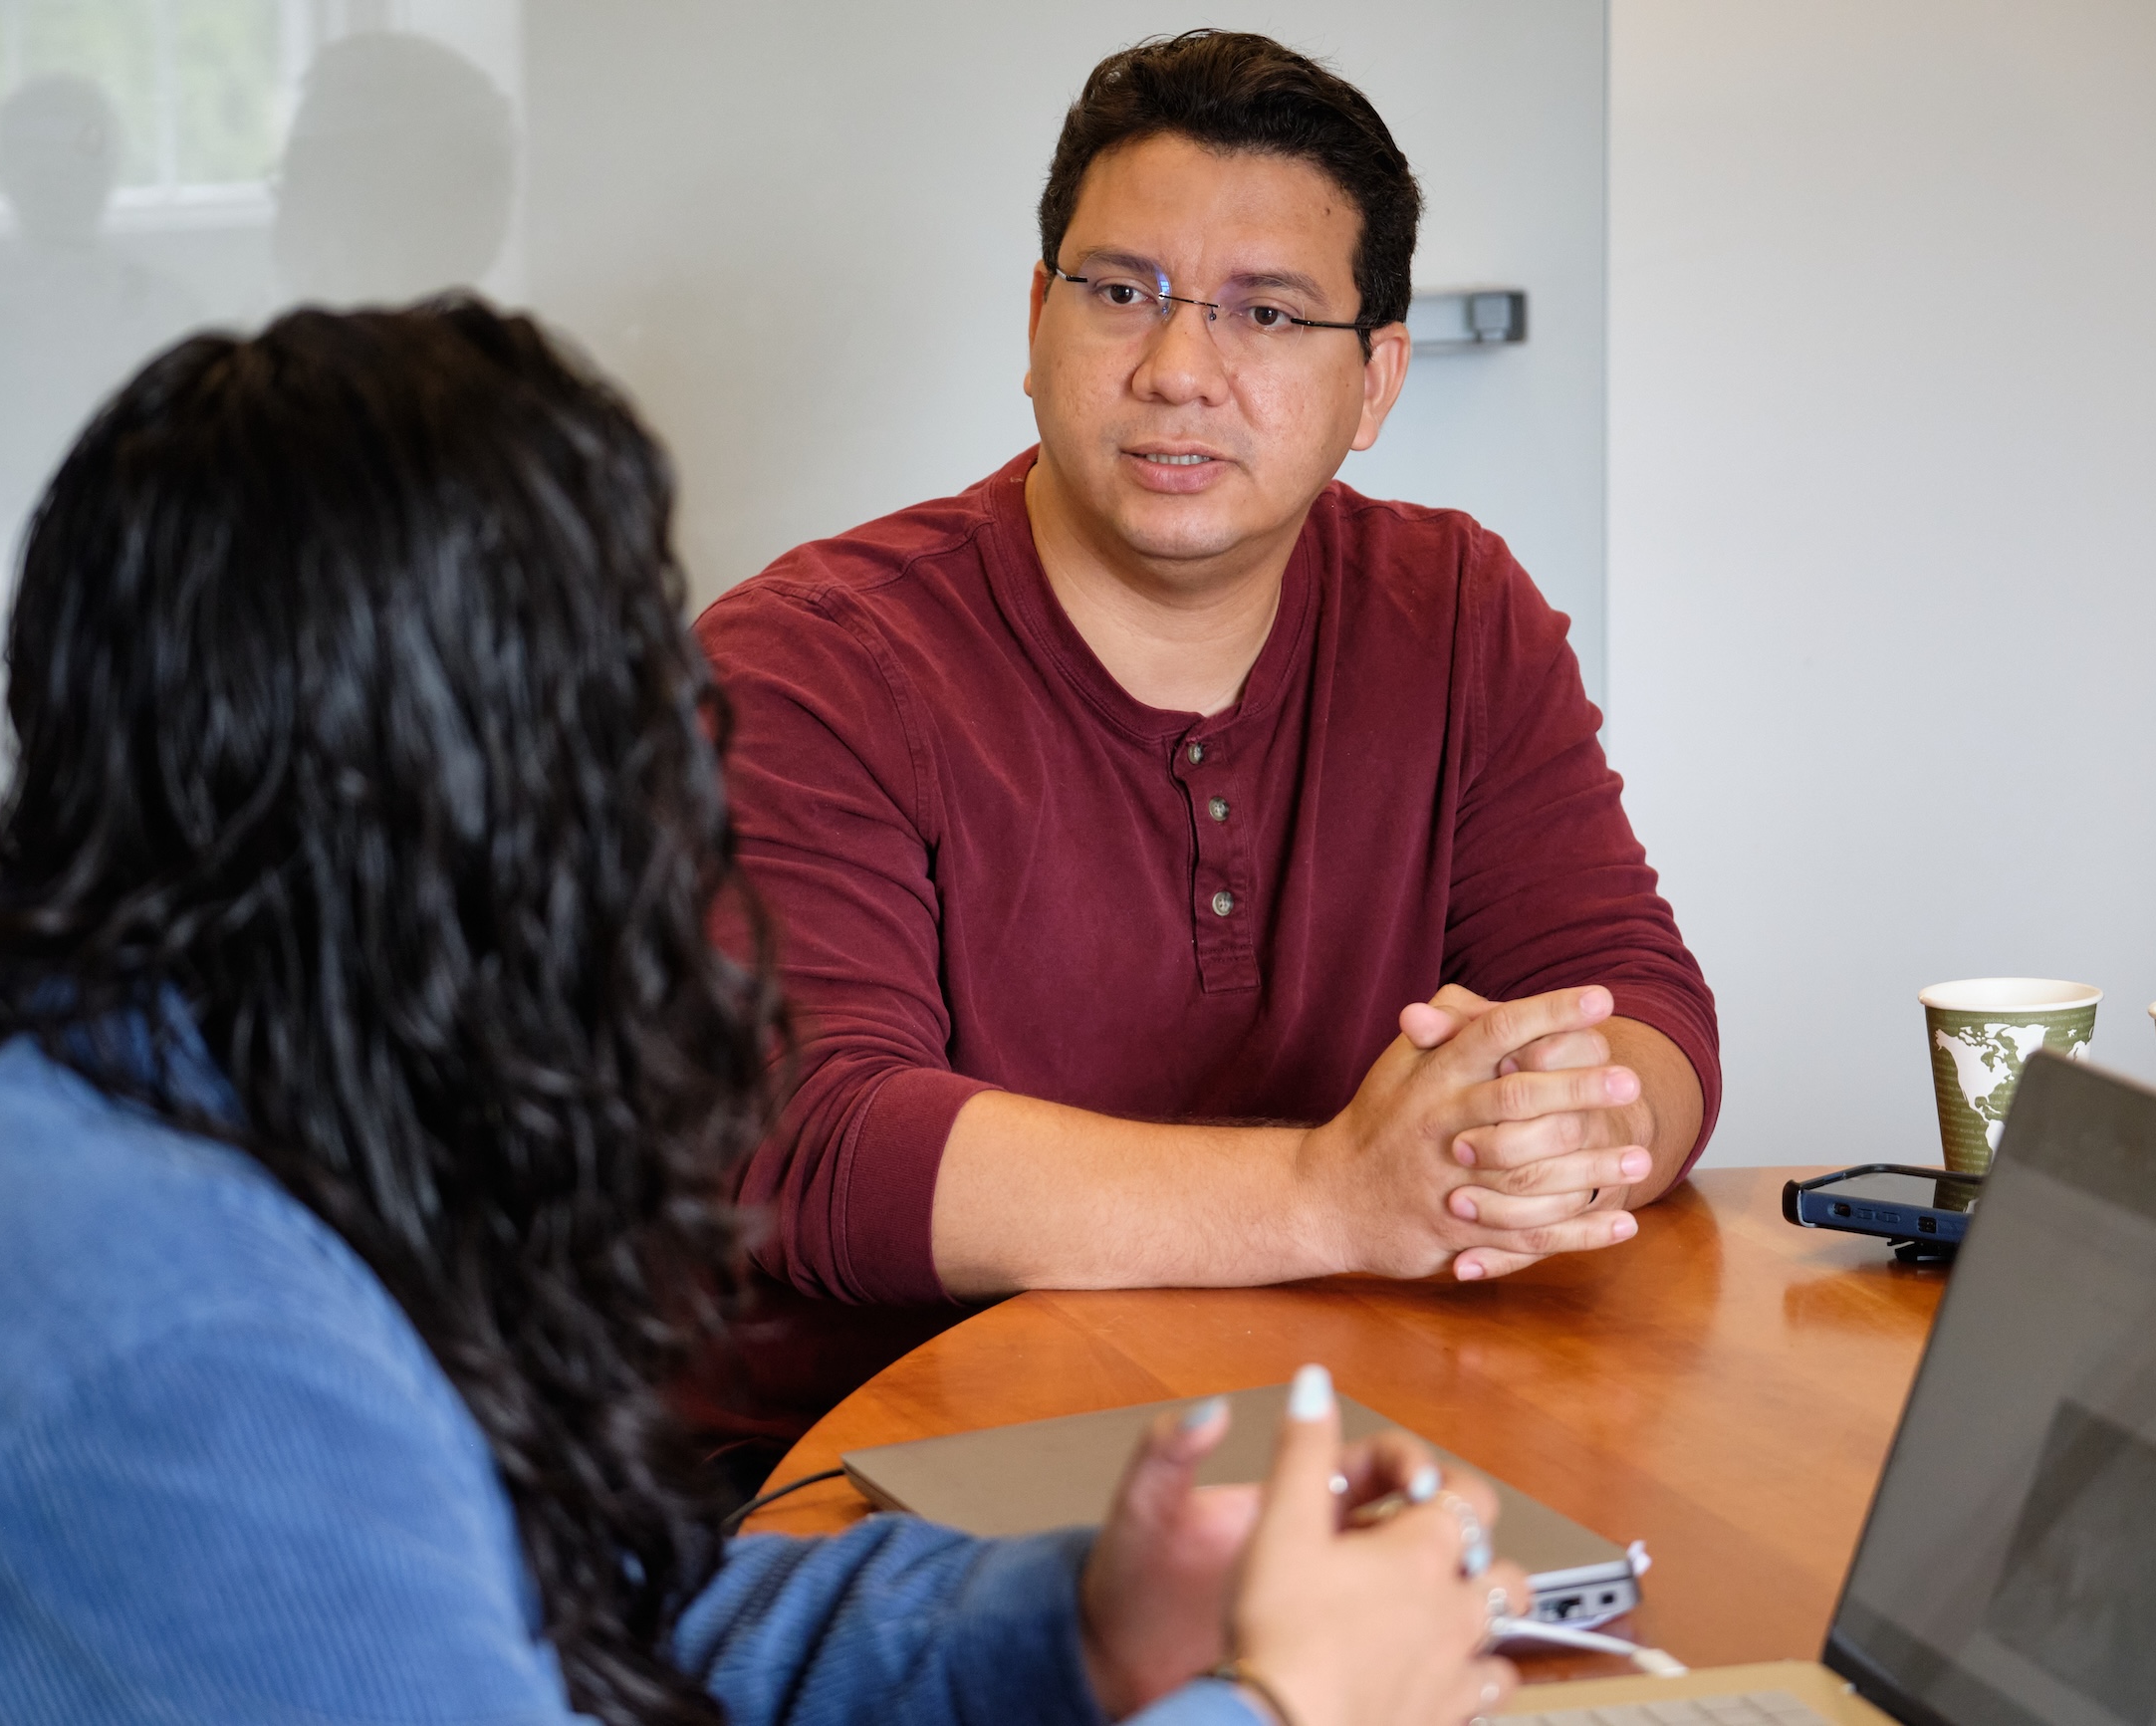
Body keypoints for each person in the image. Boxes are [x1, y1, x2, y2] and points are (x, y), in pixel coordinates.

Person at [0, 300, 1524, 1726]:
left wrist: (1084, 1626)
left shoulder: (126, 1097)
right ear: (478, 794)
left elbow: (577, 1612)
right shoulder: (165, 1360)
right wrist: (1285, 1707)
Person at [690, 31, 1721, 1450]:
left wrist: (1564, 1130)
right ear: (1038, 321)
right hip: (871, 1474)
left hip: (1320, 1422)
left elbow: (1636, 1004)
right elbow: (817, 1142)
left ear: (1376, 381)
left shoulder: (1456, 612)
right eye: (1123, 294)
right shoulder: (809, 659)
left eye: (1267, 313)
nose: (1179, 369)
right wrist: (1335, 1195)